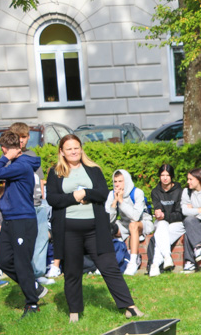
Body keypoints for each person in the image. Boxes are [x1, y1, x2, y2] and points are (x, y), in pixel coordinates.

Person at [45, 134, 143, 322]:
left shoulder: (93, 169)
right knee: (72, 272)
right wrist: (74, 196)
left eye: (76, 147)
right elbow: (53, 199)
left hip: (95, 230)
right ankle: (74, 312)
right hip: (68, 230)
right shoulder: (55, 172)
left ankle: (129, 307)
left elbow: (102, 193)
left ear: (81, 149)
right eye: (69, 149)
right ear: (62, 152)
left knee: (110, 267)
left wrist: (86, 193)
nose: (73, 151)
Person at [0, 131, 45, 317]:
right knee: (3, 260)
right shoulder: (17, 163)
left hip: (22, 219)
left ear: (4, 149)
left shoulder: (22, 164)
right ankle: (34, 286)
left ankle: (32, 304)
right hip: (10, 219)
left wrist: (6, 157)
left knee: (21, 263)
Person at [8, 123, 53, 287]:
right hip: (20, 207)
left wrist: (42, 199)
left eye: (24, 137)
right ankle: (27, 274)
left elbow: (40, 179)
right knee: (24, 241)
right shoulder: (8, 156)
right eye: (18, 137)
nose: (21, 140)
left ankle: (38, 272)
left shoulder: (32, 155)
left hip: (37, 203)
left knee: (41, 238)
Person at [105, 170, 155, 275]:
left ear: (126, 181)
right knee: (106, 227)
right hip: (124, 224)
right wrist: (114, 203)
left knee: (133, 225)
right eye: (115, 181)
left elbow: (136, 217)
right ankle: (105, 262)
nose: (117, 184)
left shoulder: (137, 193)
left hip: (143, 222)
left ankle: (133, 261)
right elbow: (109, 220)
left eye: (120, 181)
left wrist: (121, 201)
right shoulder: (112, 194)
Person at [149, 164, 185, 276]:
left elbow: (180, 214)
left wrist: (165, 216)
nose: (165, 178)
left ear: (172, 176)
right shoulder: (155, 192)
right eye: (162, 175)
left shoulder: (180, 191)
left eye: (167, 175)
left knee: (161, 236)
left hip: (177, 223)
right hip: (162, 223)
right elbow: (158, 209)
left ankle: (154, 264)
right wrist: (158, 213)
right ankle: (167, 257)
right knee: (162, 225)